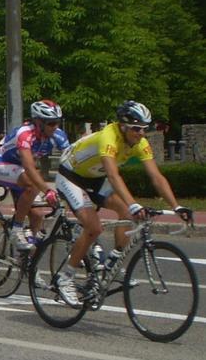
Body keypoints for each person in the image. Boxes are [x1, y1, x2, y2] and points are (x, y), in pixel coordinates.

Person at [54, 101, 192, 306]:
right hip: (72, 175)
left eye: (145, 129)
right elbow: (113, 174)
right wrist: (134, 203)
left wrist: (176, 206)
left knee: (126, 212)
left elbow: (156, 177)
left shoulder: (140, 143)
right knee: (94, 227)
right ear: (124, 126)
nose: (141, 134)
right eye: (137, 129)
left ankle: (112, 264)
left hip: (95, 178)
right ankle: (65, 278)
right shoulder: (109, 137)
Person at [0, 100, 68, 251]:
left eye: (57, 122)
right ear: (38, 122)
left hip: (20, 172)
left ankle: (28, 265)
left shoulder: (58, 136)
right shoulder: (25, 133)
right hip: (1, 165)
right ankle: (16, 228)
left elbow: (71, 162)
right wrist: (48, 191)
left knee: (38, 215)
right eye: (51, 123)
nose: (55, 127)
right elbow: (29, 167)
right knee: (32, 183)